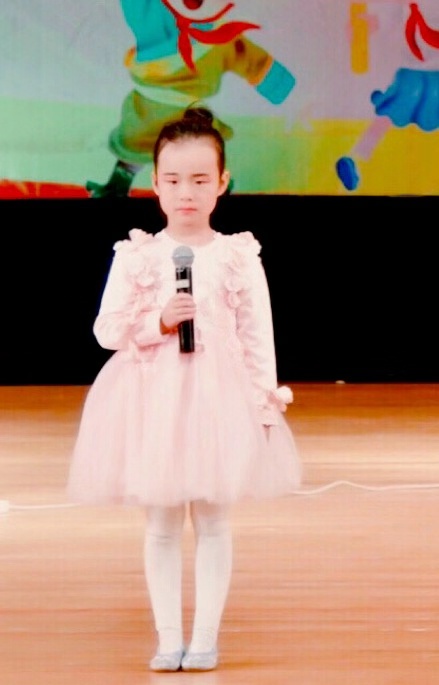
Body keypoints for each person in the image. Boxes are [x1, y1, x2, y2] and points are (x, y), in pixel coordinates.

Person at [67, 105, 301, 672]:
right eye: (172, 180)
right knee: (162, 525)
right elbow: (106, 331)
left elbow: (258, 337)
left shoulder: (238, 255)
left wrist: (263, 409)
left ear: (222, 182)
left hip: (220, 402)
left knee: (214, 521)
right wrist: (159, 322)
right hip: (154, 402)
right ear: (154, 183)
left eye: (199, 179)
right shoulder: (137, 254)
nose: (185, 192)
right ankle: (168, 637)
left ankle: (205, 639)